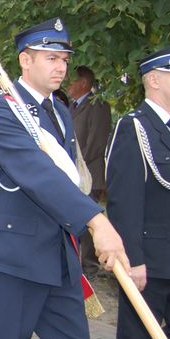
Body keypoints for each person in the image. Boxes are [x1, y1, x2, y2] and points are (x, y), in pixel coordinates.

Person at [0, 17, 129, 339]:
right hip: (12, 255)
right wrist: (97, 221)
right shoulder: (2, 108)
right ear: (25, 60)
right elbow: (38, 174)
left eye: (64, 58)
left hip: (54, 252)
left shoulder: (59, 111)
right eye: (50, 57)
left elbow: (68, 177)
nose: (60, 66)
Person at [107, 43, 170, 339]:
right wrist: (133, 259)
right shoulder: (134, 127)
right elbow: (124, 199)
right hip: (149, 258)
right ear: (154, 80)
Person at [67, 65, 112, 276]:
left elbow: (96, 142)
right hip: (72, 173)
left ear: (83, 83)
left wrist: (77, 166)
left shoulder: (97, 105)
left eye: (71, 81)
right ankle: (78, 263)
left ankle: (90, 266)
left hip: (90, 173)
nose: (68, 85)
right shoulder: (71, 106)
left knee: (91, 221)